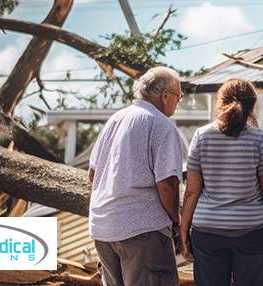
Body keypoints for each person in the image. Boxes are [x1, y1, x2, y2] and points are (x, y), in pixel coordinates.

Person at [179, 79, 263, 286]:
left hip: (208, 231)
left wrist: (184, 230)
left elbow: (192, 191)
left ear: (220, 102)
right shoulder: (260, 139)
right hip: (252, 232)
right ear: (252, 106)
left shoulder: (201, 137)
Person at [87, 66, 184, 286]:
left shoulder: (116, 119)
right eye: (179, 96)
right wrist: (176, 220)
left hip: (103, 228)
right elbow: (167, 184)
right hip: (142, 230)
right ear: (165, 95)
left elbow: (93, 174)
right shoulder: (162, 125)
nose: (179, 102)